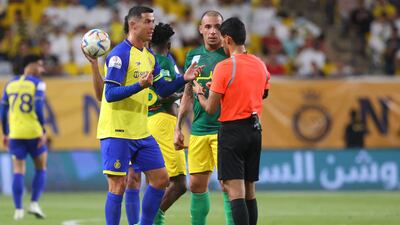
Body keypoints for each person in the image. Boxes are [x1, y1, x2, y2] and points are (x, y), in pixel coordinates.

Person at [97, 6, 202, 225]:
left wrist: (184, 78)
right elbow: (109, 94)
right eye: (147, 21)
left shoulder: (149, 57)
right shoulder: (118, 55)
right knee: (118, 185)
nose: (152, 26)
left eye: (153, 21)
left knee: (161, 179)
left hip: (141, 130)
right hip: (117, 129)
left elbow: (162, 89)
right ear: (133, 25)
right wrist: (139, 85)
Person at [193, 17, 270, 225]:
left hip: (232, 131)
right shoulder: (260, 64)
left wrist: (200, 93)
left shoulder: (225, 67)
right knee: (250, 191)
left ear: (227, 39)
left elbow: (210, 108)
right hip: (255, 130)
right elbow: (263, 93)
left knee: (235, 191)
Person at [174, 10, 234, 225]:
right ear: (200, 29)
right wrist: (178, 126)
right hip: (199, 130)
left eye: (217, 27)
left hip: (223, 130)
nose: (212, 32)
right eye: (208, 27)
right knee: (197, 186)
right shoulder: (193, 56)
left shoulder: (230, 55)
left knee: (229, 186)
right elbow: (188, 93)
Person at [148, 23, 187, 225]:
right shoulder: (161, 62)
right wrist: (181, 94)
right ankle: (152, 219)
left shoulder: (160, 59)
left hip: (161, 122)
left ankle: (151, 219)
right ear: (169, 44)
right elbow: (160, 95)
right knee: (179, 183)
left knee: (159, 180)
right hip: (162, 121)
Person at [0, 55, 48, 220]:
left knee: (18, 170)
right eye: (40, 66)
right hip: (34, 133)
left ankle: (18, 209)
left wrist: (5, 132)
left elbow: (3, 111)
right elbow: (39, 106)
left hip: (15, 134)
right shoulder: (38, 84)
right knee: (41, 167)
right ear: (32, 65)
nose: (42, 70)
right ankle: (34, 203)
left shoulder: (10, 83)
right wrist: (42, 129)